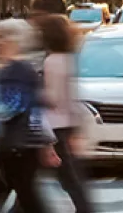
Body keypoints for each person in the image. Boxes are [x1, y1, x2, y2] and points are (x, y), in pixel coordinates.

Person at [0, 19, 60, 213]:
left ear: (10, 41)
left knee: (27, 196)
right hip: (18, 143)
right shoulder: (16, 68)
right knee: (24, 195)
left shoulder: (16, 70)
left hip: (17, 143)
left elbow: (14, 106)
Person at [36, 14, 91, 213]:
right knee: (69, 178)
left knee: (66, 178)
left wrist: (34, 93)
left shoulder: (51, 62)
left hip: (53, 126)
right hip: (66, 124)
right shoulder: (68, 59)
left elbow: (53, 97)